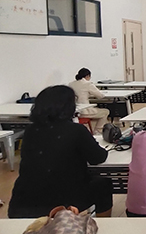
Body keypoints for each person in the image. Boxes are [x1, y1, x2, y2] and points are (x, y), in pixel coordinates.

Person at [9, 85, 113, 218]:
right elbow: (98, 158)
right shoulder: (76, 130)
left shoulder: (30, 131)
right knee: (103, 185)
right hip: (64, 199)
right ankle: (102, 225)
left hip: (24, 199)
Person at [68, 67, 110, 133]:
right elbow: (100, 96)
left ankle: (93, 129)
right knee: (105, 112)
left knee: (97, 110)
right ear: (87, 76)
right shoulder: (87, 84)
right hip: (85, 111)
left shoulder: (71, 84)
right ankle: (98, 130)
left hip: (74, 111)